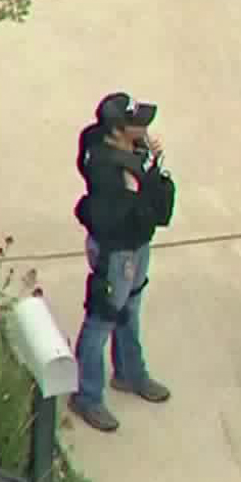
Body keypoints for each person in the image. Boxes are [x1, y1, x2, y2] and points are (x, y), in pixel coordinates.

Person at [67, 92, 177, 433]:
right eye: (137, 123)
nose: (144, 127)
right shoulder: (107, 170)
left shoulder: (133, 152)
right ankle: (87, 396)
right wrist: (147, 178)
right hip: (117, 251)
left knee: (131, 308)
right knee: (103, 318)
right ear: (117, 131)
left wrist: (152, 165)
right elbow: (126, 209)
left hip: (137, 245)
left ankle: (130, 373)